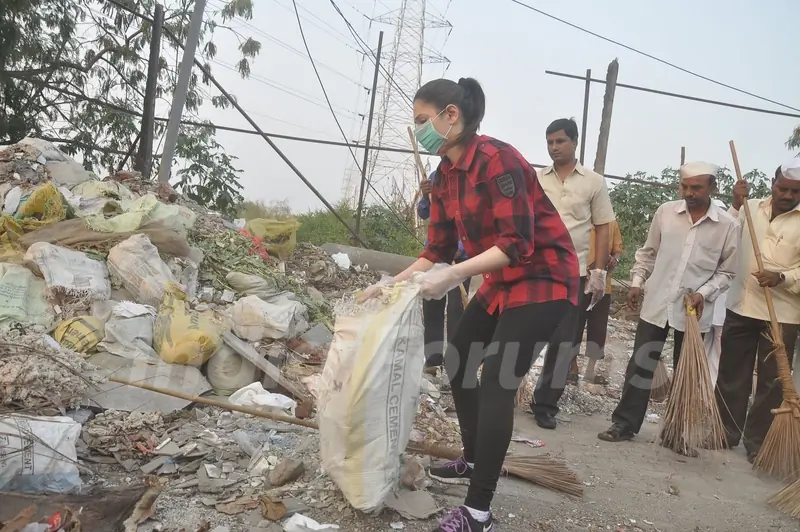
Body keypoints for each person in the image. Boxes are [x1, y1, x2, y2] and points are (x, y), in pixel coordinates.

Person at [361, 77, 579, 532]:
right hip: (503, 282)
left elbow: (516, 244)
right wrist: (390, 285)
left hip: (545, 278)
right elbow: (437, 250)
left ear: (451, 115)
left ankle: (478, 510)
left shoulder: (499, 160)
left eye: (423, 120)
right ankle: (475, 458)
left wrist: (455, 274)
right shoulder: (444, 177)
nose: (419, 130)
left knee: (498, 379)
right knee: (458, 359)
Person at [597, 162, 738, 456]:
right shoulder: (666, 213)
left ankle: (676, 432)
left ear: (712, 187)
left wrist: (703, 293)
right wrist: (637, 282)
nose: (689, 192)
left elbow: (727, 272)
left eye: (696, 187)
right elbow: (648, 253)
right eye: (684, 186)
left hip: (694, 311)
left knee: (687, 372)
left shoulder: (727, 226)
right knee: (641, 363)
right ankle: (624, 423)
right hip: (658, 301)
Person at [531, 118, 616, 430]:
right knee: (524, 334)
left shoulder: (594, 182)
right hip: (535, 269)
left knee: (563, 341)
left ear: (575, 141)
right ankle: (505, 391)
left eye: (560, 141)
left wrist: (599, 271)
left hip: (573, 273)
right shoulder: (537, 179)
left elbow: (603, 226)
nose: (554, 147)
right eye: (550, 142)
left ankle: (545, 405)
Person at [715, 159, 800, 463]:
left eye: (794, 191)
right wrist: (736, 203)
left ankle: (758, 442)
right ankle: (725, 432)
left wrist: (783, 277)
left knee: (771, 381)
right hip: (741, 305)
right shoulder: (750, 208)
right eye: (782, 188)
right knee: (731, 372)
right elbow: (724, 234)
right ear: (773, 184)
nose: (787, 195)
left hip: (782, 314)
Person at [418, 171, 470, 372]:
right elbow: (424, 213)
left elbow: (477, 221)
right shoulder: (436, 176)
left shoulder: (472, 179)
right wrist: (425, 196)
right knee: (432, 305)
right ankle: (433, 360)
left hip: (461, 260)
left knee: (457, 309)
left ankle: (454, 363)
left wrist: (460, 248)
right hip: (436, 255)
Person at [574, 220, 624, 384]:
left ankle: (590, 370)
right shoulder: (580, 220)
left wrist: (614, 260)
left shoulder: (611, 223)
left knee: (598, 327)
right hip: (580, 281)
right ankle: (572, 367)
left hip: (603, 284)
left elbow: (617, 251)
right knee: (575, 325)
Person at [703, 199, 731, 385]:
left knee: (719, 350)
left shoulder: (730, 240)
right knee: (702, 347)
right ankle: (699, 385)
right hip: (705, 307)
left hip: (723, 308)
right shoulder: (702, 243)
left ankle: (712, 387)